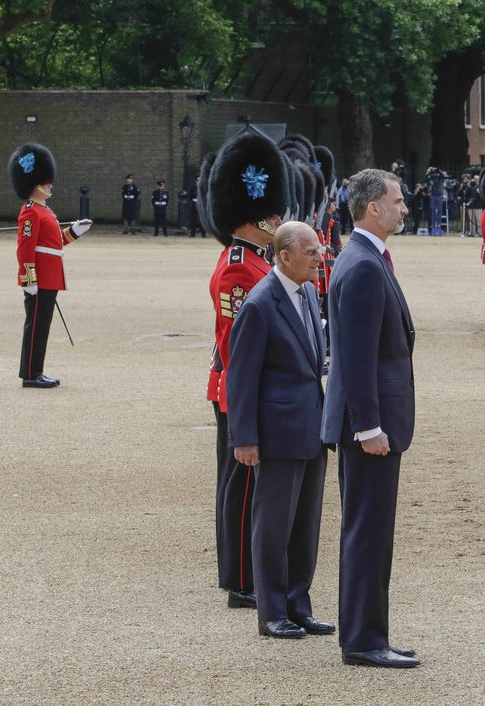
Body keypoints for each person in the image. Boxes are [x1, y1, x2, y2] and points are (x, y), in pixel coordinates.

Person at [321, 168, 420, 668]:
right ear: (372, 208)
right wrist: (368, 427)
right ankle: (362, 639)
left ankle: (369, 633)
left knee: (372, 533)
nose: (405, 208)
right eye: (397, 201)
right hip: (370, 426)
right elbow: (356, 358)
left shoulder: (364, 257)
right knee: (366, 533)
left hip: (374, 420)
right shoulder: (361, 264)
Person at [226, 221, 334, 640]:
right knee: (273, 525)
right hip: (277, 431)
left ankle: (298, 604)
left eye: (319, 250)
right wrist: (245, 438)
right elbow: (241, 378)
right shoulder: (258, 304)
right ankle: (272, 611)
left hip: (311, 425)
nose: (319, 258)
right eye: (310, 252)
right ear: (284, 256)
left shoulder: (307, 291)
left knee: (305, 525)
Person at [205, 129, 290, 611]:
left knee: (239, 483)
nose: (278, 220)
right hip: (239, 390)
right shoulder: (240, 265)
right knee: (241, 486)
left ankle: (235, 570)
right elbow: (238, 346)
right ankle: (240, 579)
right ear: (254, 214)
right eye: (272, 213)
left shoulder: (255, 260)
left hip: (242, 389)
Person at [9, 143, 92, 388]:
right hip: (39, 278)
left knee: (42, 326)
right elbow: (25, 249)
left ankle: (37, 370)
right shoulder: (31, 212)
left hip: (50, 276)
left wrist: (75, 232)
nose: (50, 184)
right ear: (35, 184)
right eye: (46, 181)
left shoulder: (46, 211)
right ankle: (30, 375)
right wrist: (29, 279)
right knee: (35, 326)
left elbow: (55, 244)